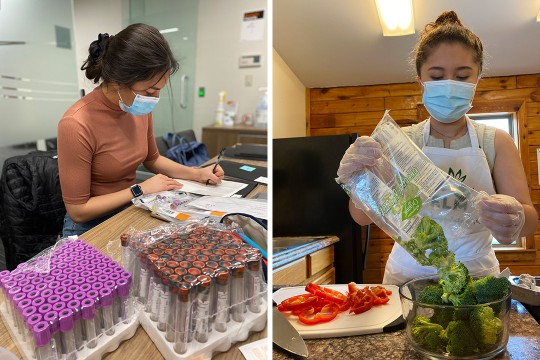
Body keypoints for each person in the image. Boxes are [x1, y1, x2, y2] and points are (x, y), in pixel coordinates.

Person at [337, 11, 538, 285]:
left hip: (477, 278)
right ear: (421, 81)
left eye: (463, 76)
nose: (450, 85)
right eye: (437, 75)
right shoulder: (398, 142)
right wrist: (357, 178)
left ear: (477, 80)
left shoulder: (496, 141)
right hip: (406, 278)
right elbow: (361, 217)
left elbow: (529, 221)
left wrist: (515, 216)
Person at [58, 23, 224, 237]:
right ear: (118, 82)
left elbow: (152, 159)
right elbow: (78, 211)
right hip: (91, 226)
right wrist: (140, 189)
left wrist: (198, 173)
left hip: (132, 208)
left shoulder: (138, 106)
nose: (154, 99)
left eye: (158, 91)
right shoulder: (76, 123)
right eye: (149, 90)